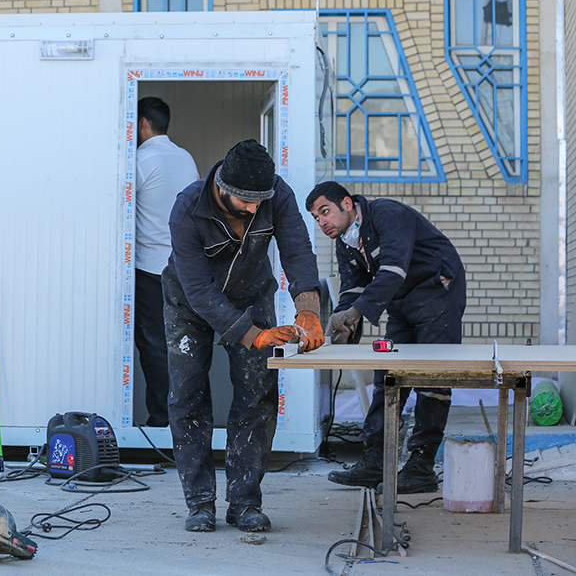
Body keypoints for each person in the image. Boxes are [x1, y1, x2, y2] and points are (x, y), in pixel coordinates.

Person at [163, 139, 324, 533]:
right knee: (187, 398)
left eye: (259, 202)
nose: (254, 209)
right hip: (190, 305)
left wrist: (308, 309)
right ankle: (200, 503)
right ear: (222, 187)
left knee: (258, 395)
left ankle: (245, 502)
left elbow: (297, 251)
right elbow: (199, 292)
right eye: (246, 202)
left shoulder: (277, 194)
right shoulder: (187, 209)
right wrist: (253, 335)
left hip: (251, 295)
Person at [305, 181, 466, 494]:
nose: (322, 222)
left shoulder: (388, 214)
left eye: (325, 211)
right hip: (402, 302)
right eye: (316, 217)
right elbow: (352, 288)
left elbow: (392, 270)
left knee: (432, 379)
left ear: (347, 204)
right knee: (388, 374)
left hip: (438, 294)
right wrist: (342, 323)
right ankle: (376, 461)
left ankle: (421, 467)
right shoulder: (346, 241)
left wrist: (356, 314)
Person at [135, 97, 199, 428]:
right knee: (185, 345)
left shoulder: (140, 161)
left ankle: (162, 420)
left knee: (154, 346)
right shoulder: (186, 159)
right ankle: (188, 419)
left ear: (142, 124)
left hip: (149, 268)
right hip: (184, 269)